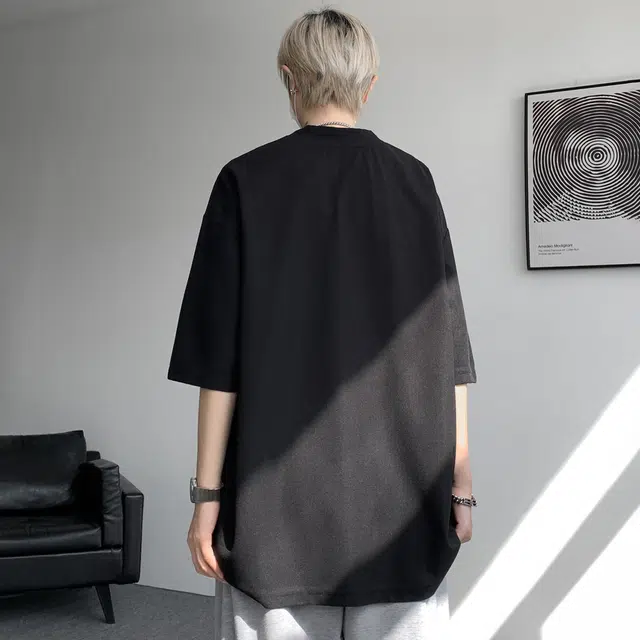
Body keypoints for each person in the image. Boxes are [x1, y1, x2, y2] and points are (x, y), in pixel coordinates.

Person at [168, 8, 477, 640]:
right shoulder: (415, 182)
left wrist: (206, 499)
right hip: (402, 506)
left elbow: (218, 363)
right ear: (370, 85)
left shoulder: (244, 181)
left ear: (288, 77)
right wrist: (461, 486)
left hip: (274, 513)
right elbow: (449, 347)